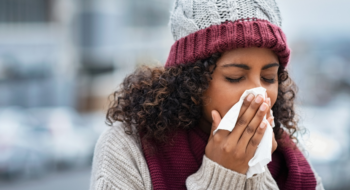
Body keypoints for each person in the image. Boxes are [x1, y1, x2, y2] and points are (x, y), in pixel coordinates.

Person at [89, 0, 325, 189]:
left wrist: (255, 171)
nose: (259, 94)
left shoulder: (291, 163)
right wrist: (223, 176)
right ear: (192, 81)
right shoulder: (129, 147)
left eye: (268, 78)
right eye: (235, 77)